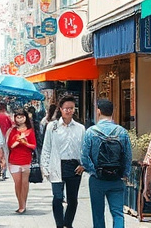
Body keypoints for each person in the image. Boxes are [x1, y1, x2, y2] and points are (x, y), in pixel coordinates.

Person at [81, 98, 132, 228]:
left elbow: (84, 157)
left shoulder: (91, 132)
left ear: (98, 111)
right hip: (116, 178)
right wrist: (125, 173)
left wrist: (94, 171)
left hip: (97, 179)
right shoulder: (122, 132)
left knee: (98, 214)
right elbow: (128, 156)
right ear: (112, 112)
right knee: (118, 214)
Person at [41, 95, 85, 228]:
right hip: (57, 165)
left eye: (71, 108)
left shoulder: (80, 128)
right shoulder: (52, 127)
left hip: (74, 166)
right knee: (58, 197)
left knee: (73, 200)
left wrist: (83, 164)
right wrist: (45, 166)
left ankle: (68, 223)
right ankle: (59, 224)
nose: (68, 111)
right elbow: (46, 147)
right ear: (60, 109)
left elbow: (84, 148)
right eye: (66, 108)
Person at [6, 108, 37, 214]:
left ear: (25, 118)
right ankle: (20, 204)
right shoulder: (13, 131)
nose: (19, 119)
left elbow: (33, 146)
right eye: (17, 117)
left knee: (25, 183)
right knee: (17, 183)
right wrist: (18, 141)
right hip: (14, 160)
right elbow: (10, 145)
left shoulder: (30, 131)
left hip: (26, 160)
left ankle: (23, 204)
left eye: (21, 117)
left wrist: (25, 143)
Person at [0, 102, 13, 181]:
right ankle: (4, 171)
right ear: (5, 108)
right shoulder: (7, 117)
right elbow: (11, 126)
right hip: (4, 137)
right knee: (4, 155)